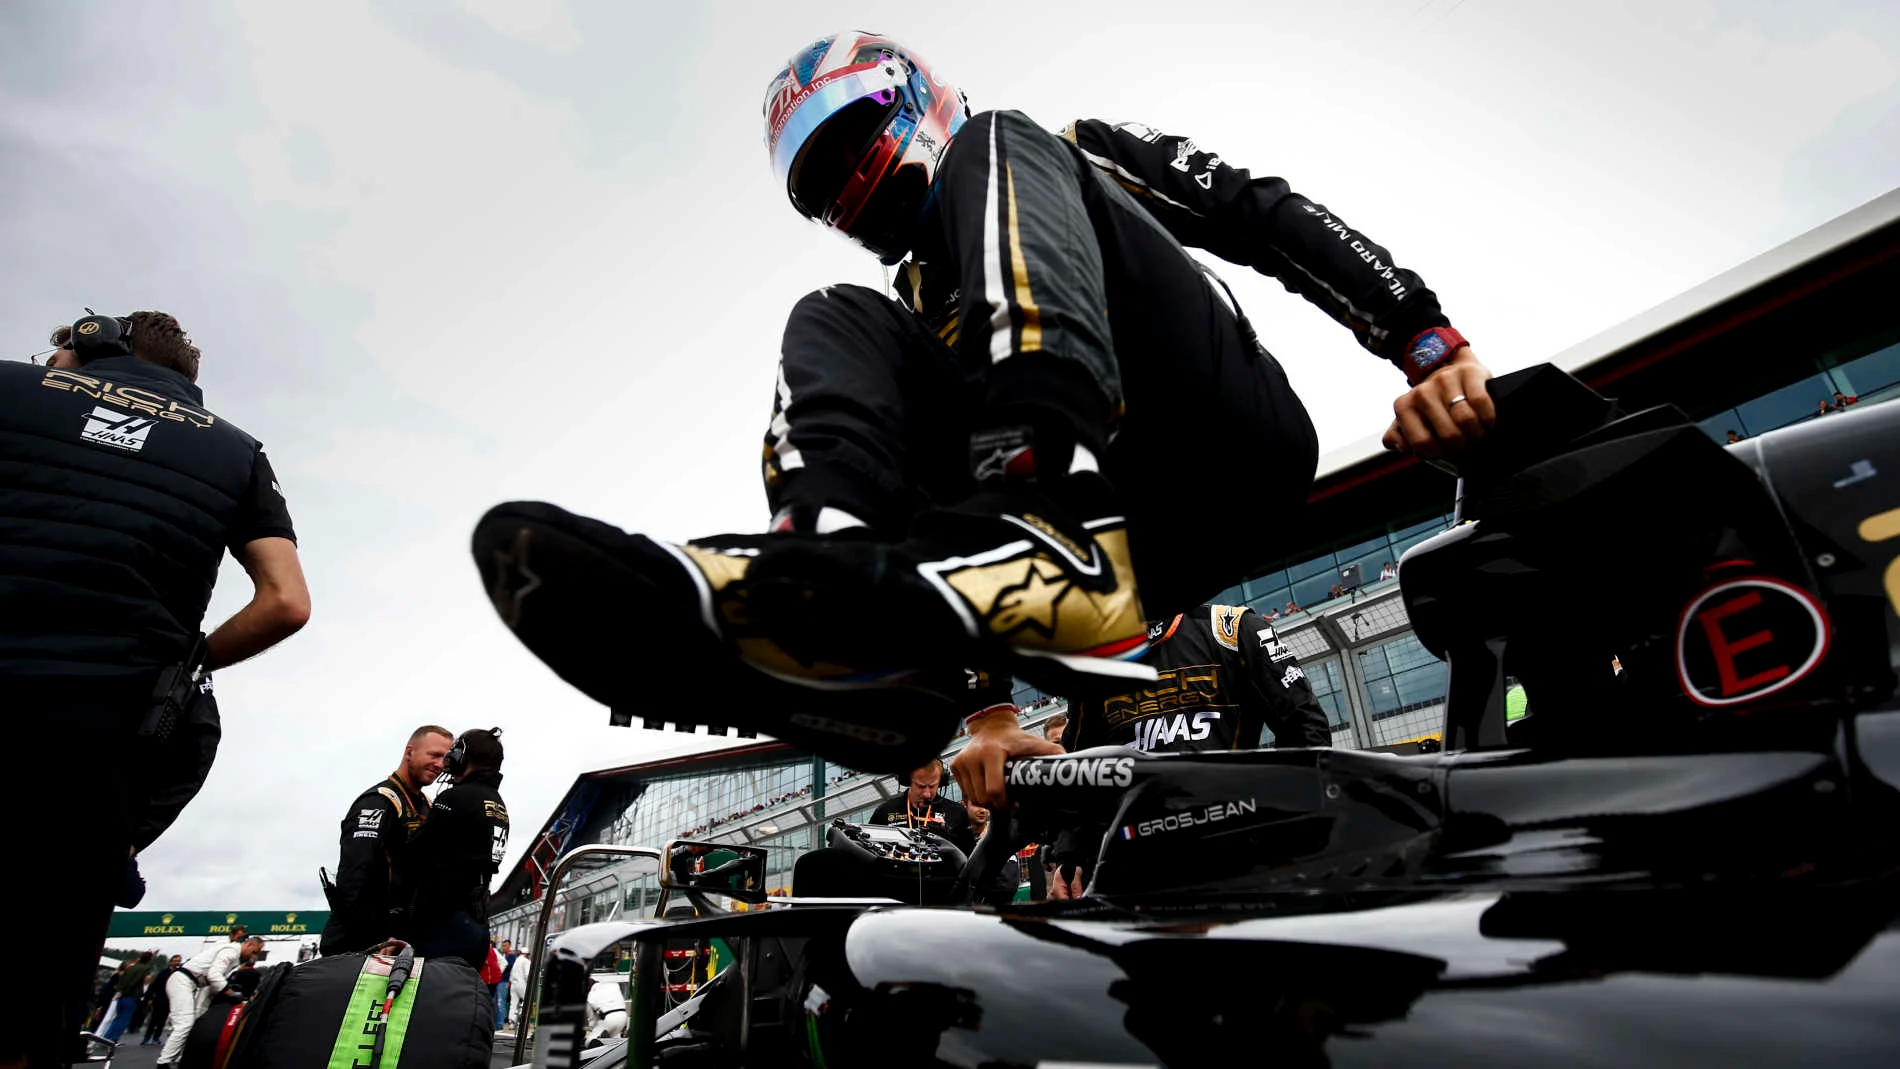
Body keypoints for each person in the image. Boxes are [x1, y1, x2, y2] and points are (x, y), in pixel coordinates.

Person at [469, 33, 1492, 803]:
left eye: (849, 144)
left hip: (1225, 442)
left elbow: (1250, 207)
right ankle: (838, 595)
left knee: (1007, 145)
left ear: (909, 100)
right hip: (1120, 560)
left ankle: (1045, 508)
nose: (847, 182)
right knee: (831, 316)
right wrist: (987, 708)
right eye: (819, 184)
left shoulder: (1051, 152)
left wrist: (1421, 337)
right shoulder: (914, 311)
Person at [2, 309, 309, 1069]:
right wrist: (187, 659)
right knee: (36, 980)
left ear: (93, 344)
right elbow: (286, 601)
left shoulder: (14, 389)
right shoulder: (237, 452)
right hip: (102, 736)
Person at [1037, 603, 1333, 897]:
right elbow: (1081, 772)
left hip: (1230, 855)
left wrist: (1291, 827)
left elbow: (1305, 727)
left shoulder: (1230, 628)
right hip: (1133, 864)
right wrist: (1070, 858)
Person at [320, 725, 453, 956]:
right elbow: (354, 879)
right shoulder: (378, 802)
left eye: (446, 758)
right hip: (361, 942)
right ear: (409, 752)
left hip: (400, 939)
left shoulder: (429, 806)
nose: (440, 765)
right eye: (434, 755)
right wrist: (378, 938)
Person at [397, 728, 510, 970]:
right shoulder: (497, 803)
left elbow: (411, 856)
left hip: (442, 927)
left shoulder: (455, 798)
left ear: (460, 757)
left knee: (426, 1003)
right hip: (476, 925)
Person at [157, 931, 256, 1068]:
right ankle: (163, 1062)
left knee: (194, 1020)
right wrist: (230, 993)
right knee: (184, 1024)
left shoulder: (233, 955)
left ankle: (180, 1057)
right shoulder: (231, 951)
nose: (253, 956)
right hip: (183, 981)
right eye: (253, 952)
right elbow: (214, 975)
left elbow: (212, 982)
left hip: (192, 983)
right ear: (249, 944)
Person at [867, 758, 975, 855]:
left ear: (941, 782)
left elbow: (969, 858)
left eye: (932, 786)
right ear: (907, 781)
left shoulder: (957, 812)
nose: (927, 794)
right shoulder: (885, 811)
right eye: (921, 786)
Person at [99, 950, 154, 1043]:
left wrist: (121, 992)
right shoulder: (144, 968)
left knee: (117, 1018)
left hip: (121, 995)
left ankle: (106, 1037)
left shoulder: (131, 967)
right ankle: (113, 1039)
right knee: (124, 1019)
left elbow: (123, 980)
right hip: (132, 996)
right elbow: (135, 981)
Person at [139, 956, 182, 1047]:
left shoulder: (179, 974)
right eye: (175, 961)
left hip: (169, 1000)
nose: (176, 963)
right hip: (159, 999)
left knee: (162, 1021)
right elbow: (154, 985)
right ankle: (147, 1037)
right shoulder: (163, 973)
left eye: (178, 961)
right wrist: (150, 998)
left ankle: (156, 1037)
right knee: (153, 1020)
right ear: (170, 962)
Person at [495, 938, 519, 1030]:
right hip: (500, 980)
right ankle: (498, 1021)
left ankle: (500, 1023)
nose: (503, 947)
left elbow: (510, 966)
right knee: (499, 1002)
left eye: (505, 945)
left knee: (501, 1002)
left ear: (509, 946)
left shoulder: (511, 956)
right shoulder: (503, 955)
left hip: (505, 981)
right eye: (502, 945)